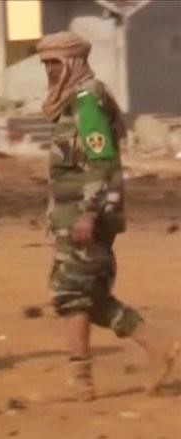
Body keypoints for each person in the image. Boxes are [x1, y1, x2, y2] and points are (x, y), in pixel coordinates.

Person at [38, 31, 179, 400]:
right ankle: (159, 345)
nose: (50, 70)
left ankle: (80, 381)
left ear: (74, 62)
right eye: (46, 63)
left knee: (70, 295)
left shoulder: (87, 101)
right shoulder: (71, 102)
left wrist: (87, 213)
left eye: (56, 62)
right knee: (93, 297)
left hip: (85, 217)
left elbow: (100, 161)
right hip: (71, 215)